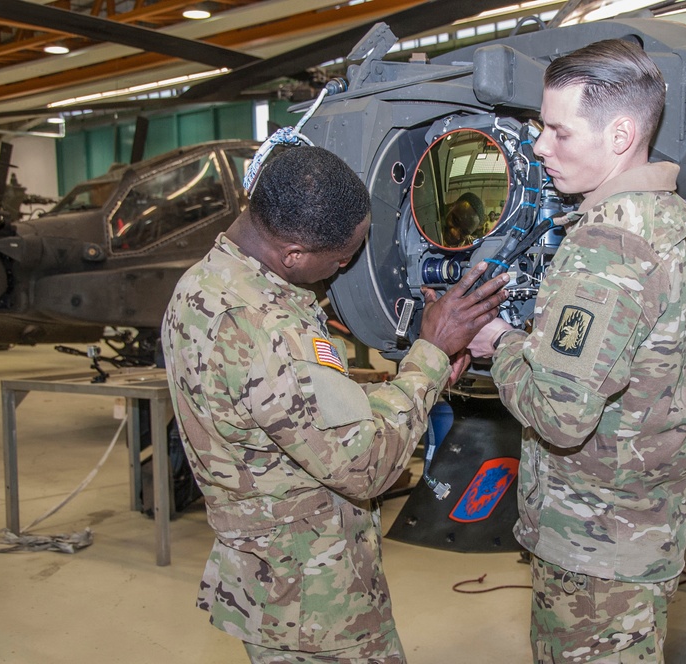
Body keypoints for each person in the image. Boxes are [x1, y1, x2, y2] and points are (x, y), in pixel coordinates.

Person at [161, 145, 509, 664]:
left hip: (275, 579)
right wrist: (430, 355)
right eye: (342, 256)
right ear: (295, 254)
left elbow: (294, 414)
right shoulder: (267, 327)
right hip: (315, 604)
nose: (345, 265)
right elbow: (364, 466)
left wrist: (418, 378)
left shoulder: (208, 285)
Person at [469, 38, 686, 663]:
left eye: (559, 131)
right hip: (643, 525)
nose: (540, 146)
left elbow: (559, 413)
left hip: (595, 543)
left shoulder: (610, 243)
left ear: (621, 134)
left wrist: (501, 344)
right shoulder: (675, 218)